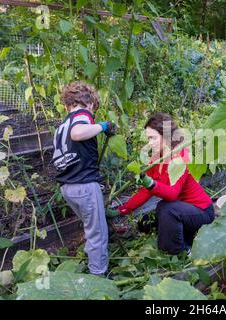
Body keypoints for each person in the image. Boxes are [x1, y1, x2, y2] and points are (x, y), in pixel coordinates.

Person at [113, 113, 215, 255]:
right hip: (182, 210)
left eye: (153, 138)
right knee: (145, 222)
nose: (150, 143)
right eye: (148, 138)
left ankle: (179, 252)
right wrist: (123, 210)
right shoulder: (157, 158)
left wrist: (152, 184)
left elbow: (172, 194)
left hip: (201, 211)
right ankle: (186, 238)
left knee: (166, 209)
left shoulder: (181, 156)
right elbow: (145, 190)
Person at [51, 81, 117, 276]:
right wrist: (103, 126)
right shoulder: (82, 115)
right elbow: (78, 133)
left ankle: (92, 260)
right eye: (93, 108)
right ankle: (98, 276)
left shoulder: (61, 126)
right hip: (84, 185)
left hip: (67, 188)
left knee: (91, 227)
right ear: (88, 103)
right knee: (98, 233)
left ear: (66, 105)